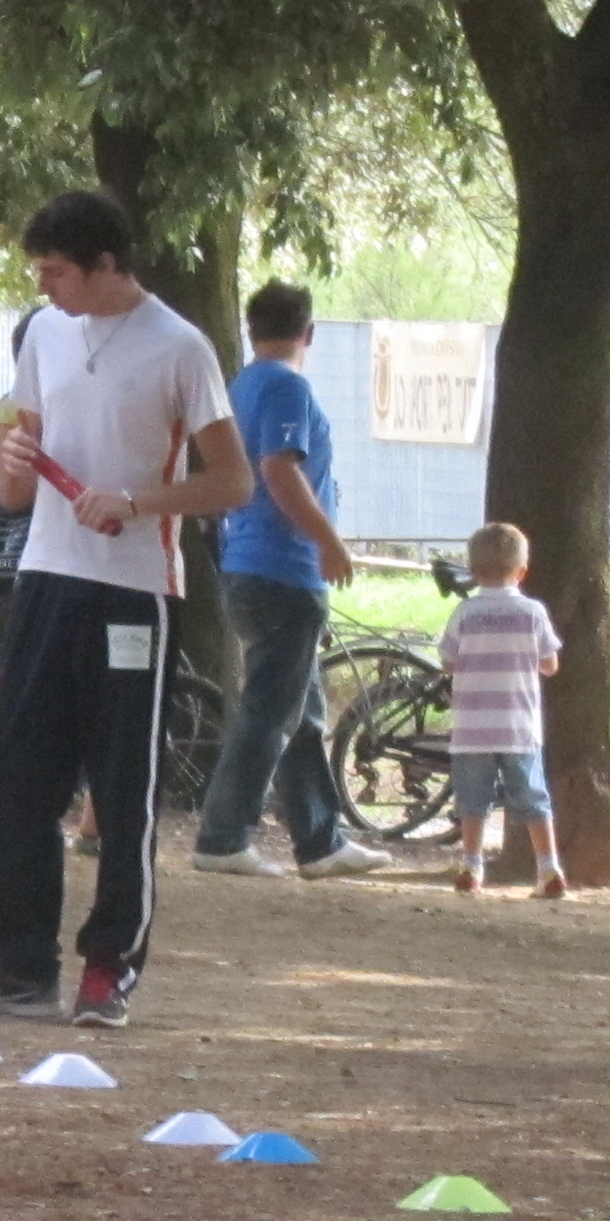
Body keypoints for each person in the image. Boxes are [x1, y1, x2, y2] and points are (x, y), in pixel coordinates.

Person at [0, 190, 249, 1029]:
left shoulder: (180, 347)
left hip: (135, 591)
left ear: (105, 265)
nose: (44, 287)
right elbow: (16, 488)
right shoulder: (45, 333)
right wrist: (12, 457)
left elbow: (233, 481)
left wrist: (137, 501)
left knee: (122, 783)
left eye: (56, 271)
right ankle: (21, 964)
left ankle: (110, 967)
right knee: (16, 776)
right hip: (45, 576)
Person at [193, 282, 386, 883]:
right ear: (309, 332)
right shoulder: (286, 387)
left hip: (246, 563)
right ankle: (223, 837)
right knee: (270, 711)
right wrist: (327, 539)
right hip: (282, 567)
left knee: (299, 710)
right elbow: (278, 469)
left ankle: (320, 840)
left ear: (252, 329)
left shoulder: (239, 386)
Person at [438, 521, 566, 898]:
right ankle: (548, 867)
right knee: (533, 798)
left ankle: (471, 865)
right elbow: (550, 664)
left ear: (473, 571)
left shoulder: (465, 613)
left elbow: (448, 661)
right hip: (519, 727)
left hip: (472, 729)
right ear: (522, 571)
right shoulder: (533, 612)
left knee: (473, 802)